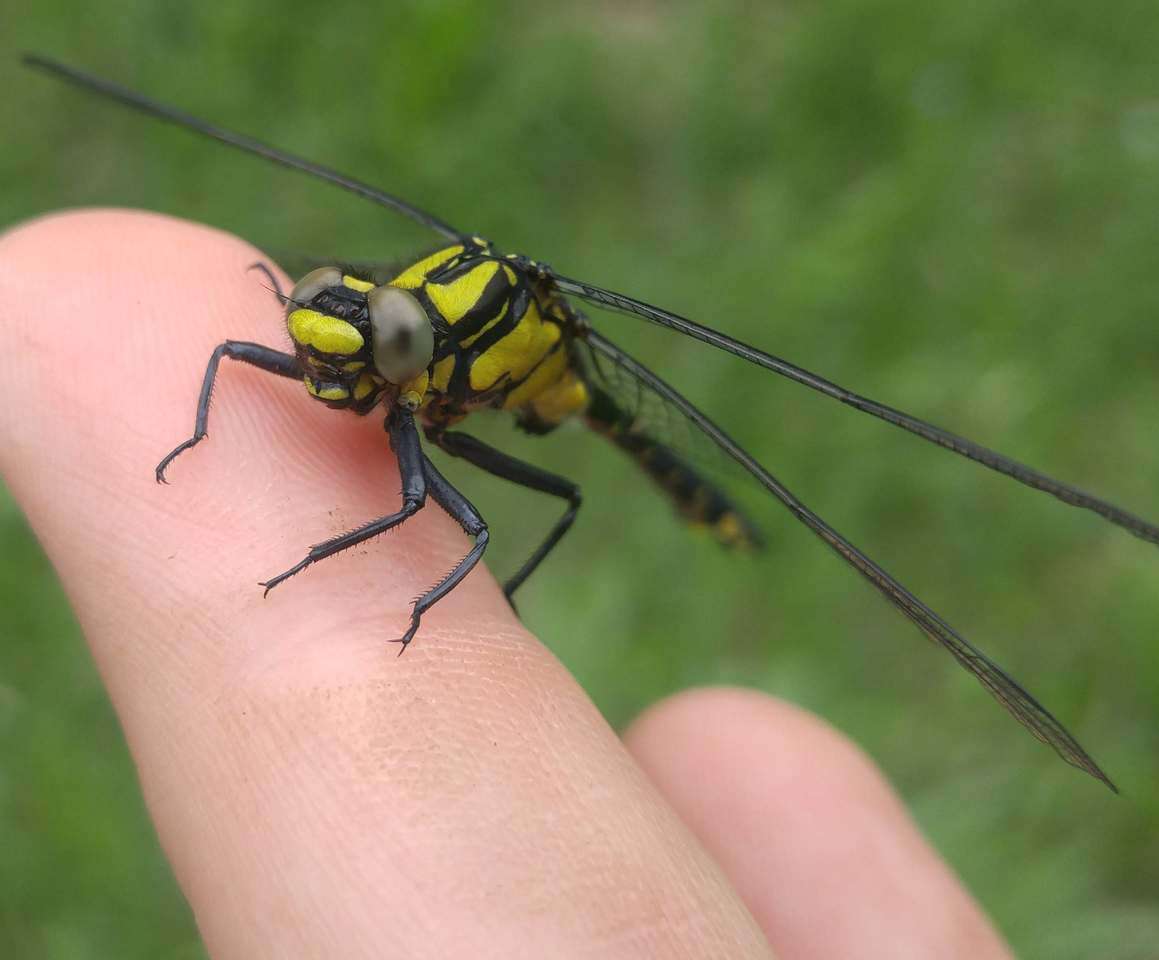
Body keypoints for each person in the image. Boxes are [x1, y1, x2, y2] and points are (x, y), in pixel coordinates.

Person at [0, 209, 1012, 958]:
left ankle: (711, 513)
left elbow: (417, 510)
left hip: (562, 393)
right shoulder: (392, 325)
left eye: (369, 342)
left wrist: (307, 568)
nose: (326, 350)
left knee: (498, 509)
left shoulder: (458, 352)